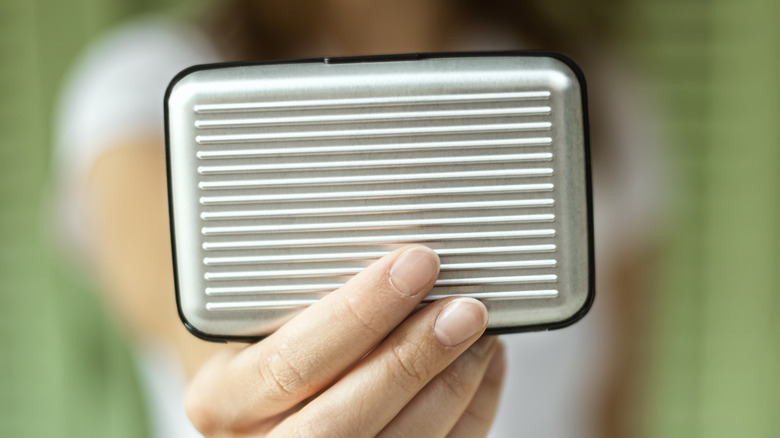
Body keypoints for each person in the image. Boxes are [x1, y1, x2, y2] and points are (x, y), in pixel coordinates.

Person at [53, 1, 663, 436]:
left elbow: (615, 401)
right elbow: (185, 318)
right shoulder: (143, 84)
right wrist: (260, 396)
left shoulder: (589, 95)